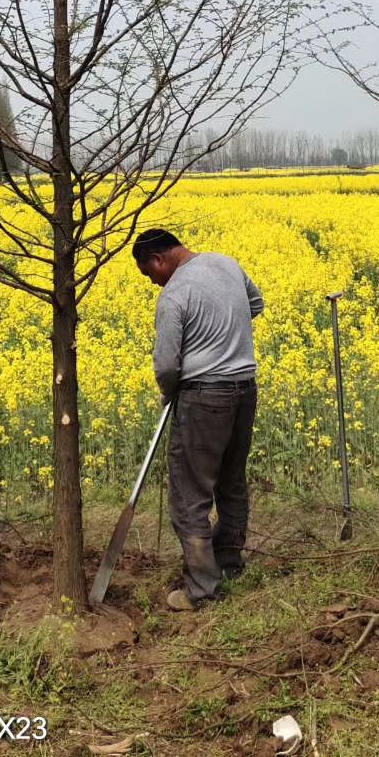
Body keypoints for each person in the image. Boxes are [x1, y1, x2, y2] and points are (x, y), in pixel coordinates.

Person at [132, 227, 264, 611]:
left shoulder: (174, 294)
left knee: (190, 494)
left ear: (158, 260)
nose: (153, 283)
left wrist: (170, 388)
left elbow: (168, 364)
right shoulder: (227, 264)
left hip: (204, 397)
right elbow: (255, 305)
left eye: (148, 274)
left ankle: (201, 589)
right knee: (231, 482)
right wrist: (225, 332)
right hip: (245, 389)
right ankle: (228, 564)